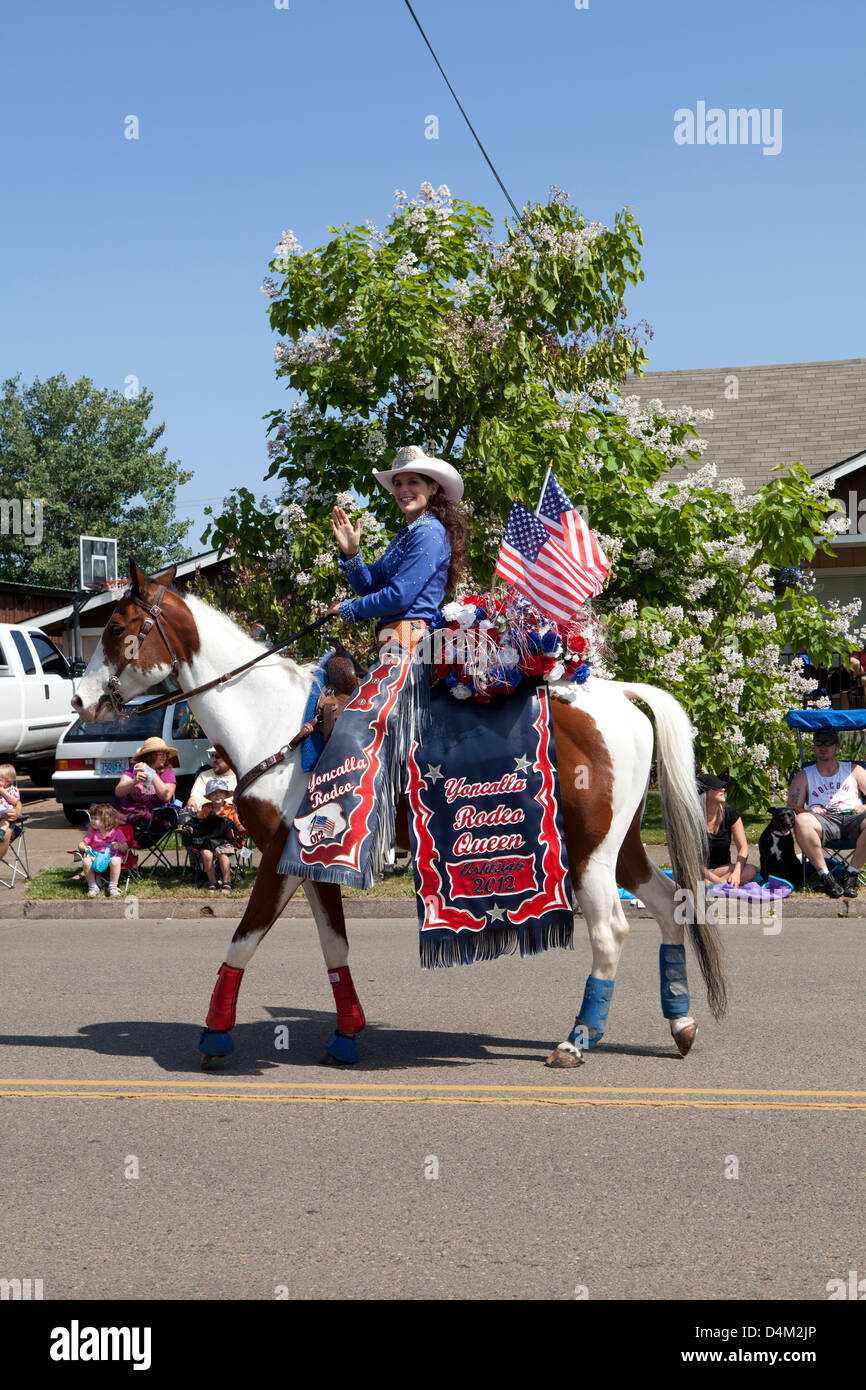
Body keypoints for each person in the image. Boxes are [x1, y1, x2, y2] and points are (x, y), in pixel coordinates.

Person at [279, 444, 466, 890]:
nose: (403, 489)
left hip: (410, 648)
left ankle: (358, 837)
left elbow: (399, 597)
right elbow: (372, 583)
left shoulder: (429, 533)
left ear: (433, 487)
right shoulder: (408, 535)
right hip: (391, 647)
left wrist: (350, 609)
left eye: (412, 482)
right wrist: (351, 554)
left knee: (355, 729)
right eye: (398, 483)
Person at [787, 730, 866, 898]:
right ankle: (825, 875)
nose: (823, 747)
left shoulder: (854, 770)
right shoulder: (804, 775)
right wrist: (808, 811)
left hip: (853, 817)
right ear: (814, 747)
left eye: (827, 743)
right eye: (818, 743)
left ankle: (851, 874)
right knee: (801, 820)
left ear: (836, 746)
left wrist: (864, 807)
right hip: (823, 821)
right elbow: (792, 806)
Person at [182, 778, 245, 893]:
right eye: (214, 793)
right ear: (209, 796)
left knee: (222, 853)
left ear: (225, 795)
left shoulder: (230, 809)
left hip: (226, 840)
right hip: (209, 839)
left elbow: (238, 825)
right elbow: (199, 824)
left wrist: (243, 830)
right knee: (206, 854)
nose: (217, 796)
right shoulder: (206, 809)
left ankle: (226, 882)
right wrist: (191, 827)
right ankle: (213, 882)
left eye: (220, 792)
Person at [698, 772, 758, 888]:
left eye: (723, 786)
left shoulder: (730, 813)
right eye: (717, 787)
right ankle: (720, 885)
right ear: (705, 793)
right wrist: (715, 879)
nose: (723, 789)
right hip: (699, 869)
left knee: (751, 870)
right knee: (688, 873)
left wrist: (736, 873)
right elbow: (690, 860)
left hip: (723, 869)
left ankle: (713, 885)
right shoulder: (692, 819)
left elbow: (743, 848)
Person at [114, 737, 178, 829]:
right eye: (160, 753)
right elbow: (118, 792)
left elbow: (165, 796)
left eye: (165, 754)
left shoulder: (167, 773)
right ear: (149, 755)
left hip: (152, 818)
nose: (164, 756)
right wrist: (134, 781)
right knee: (102, 814)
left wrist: (151, 773)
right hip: (127, 814)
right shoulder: (134, 770)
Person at [77, 803, 130, 898]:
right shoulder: (93, 833)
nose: (92, 821)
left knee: (116, 860)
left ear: (107, 820)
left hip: (111, 856)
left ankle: (113, 887)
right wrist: (85, 847)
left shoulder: (117, 832)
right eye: (92, 818)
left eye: (95, 818)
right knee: (86, 861)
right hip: (96, 856)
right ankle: (93, 887)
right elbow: (81, 844)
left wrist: (119, 845)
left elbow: (125, 848)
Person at [185, 748, 237, 813]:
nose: (213, 760)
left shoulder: (240, 777)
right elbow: (196, 797)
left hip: (231, 819)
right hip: (206, 819)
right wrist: (191, 806)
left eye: (218, 756)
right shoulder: (204, 776)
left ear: (229, 758)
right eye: (212, 756)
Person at [0, 763, 22, 868]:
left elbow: (16, 802)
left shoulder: (10, 789)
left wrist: (17, 810)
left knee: (5, 833)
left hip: (4, 820)